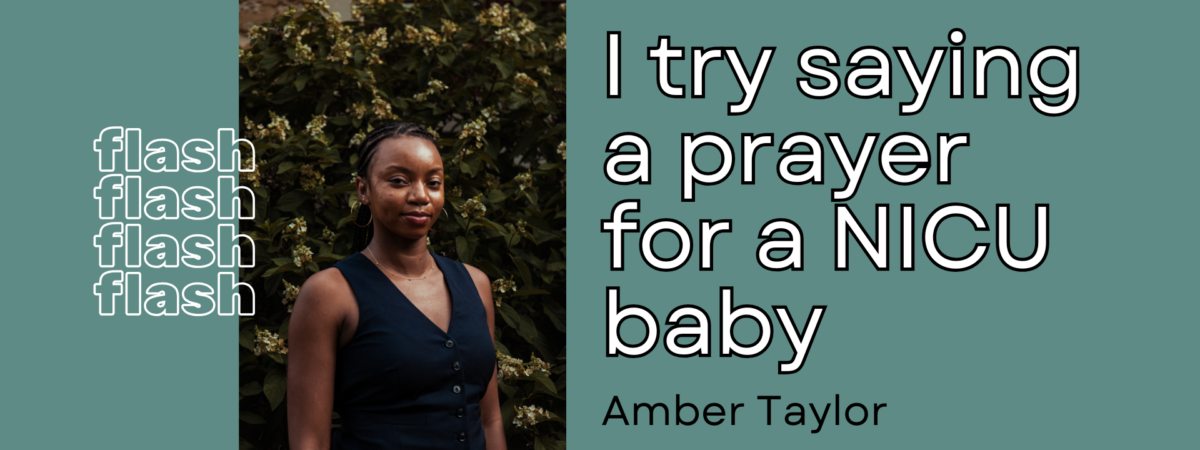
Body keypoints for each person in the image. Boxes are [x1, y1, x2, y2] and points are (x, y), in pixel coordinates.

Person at [287, 122, 507, 450]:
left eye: (433, 182)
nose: (420, 196)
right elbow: (309, 441)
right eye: (398, 181)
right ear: (364, 190)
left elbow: (489, 420)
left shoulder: (476, 284)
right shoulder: (329, 294)